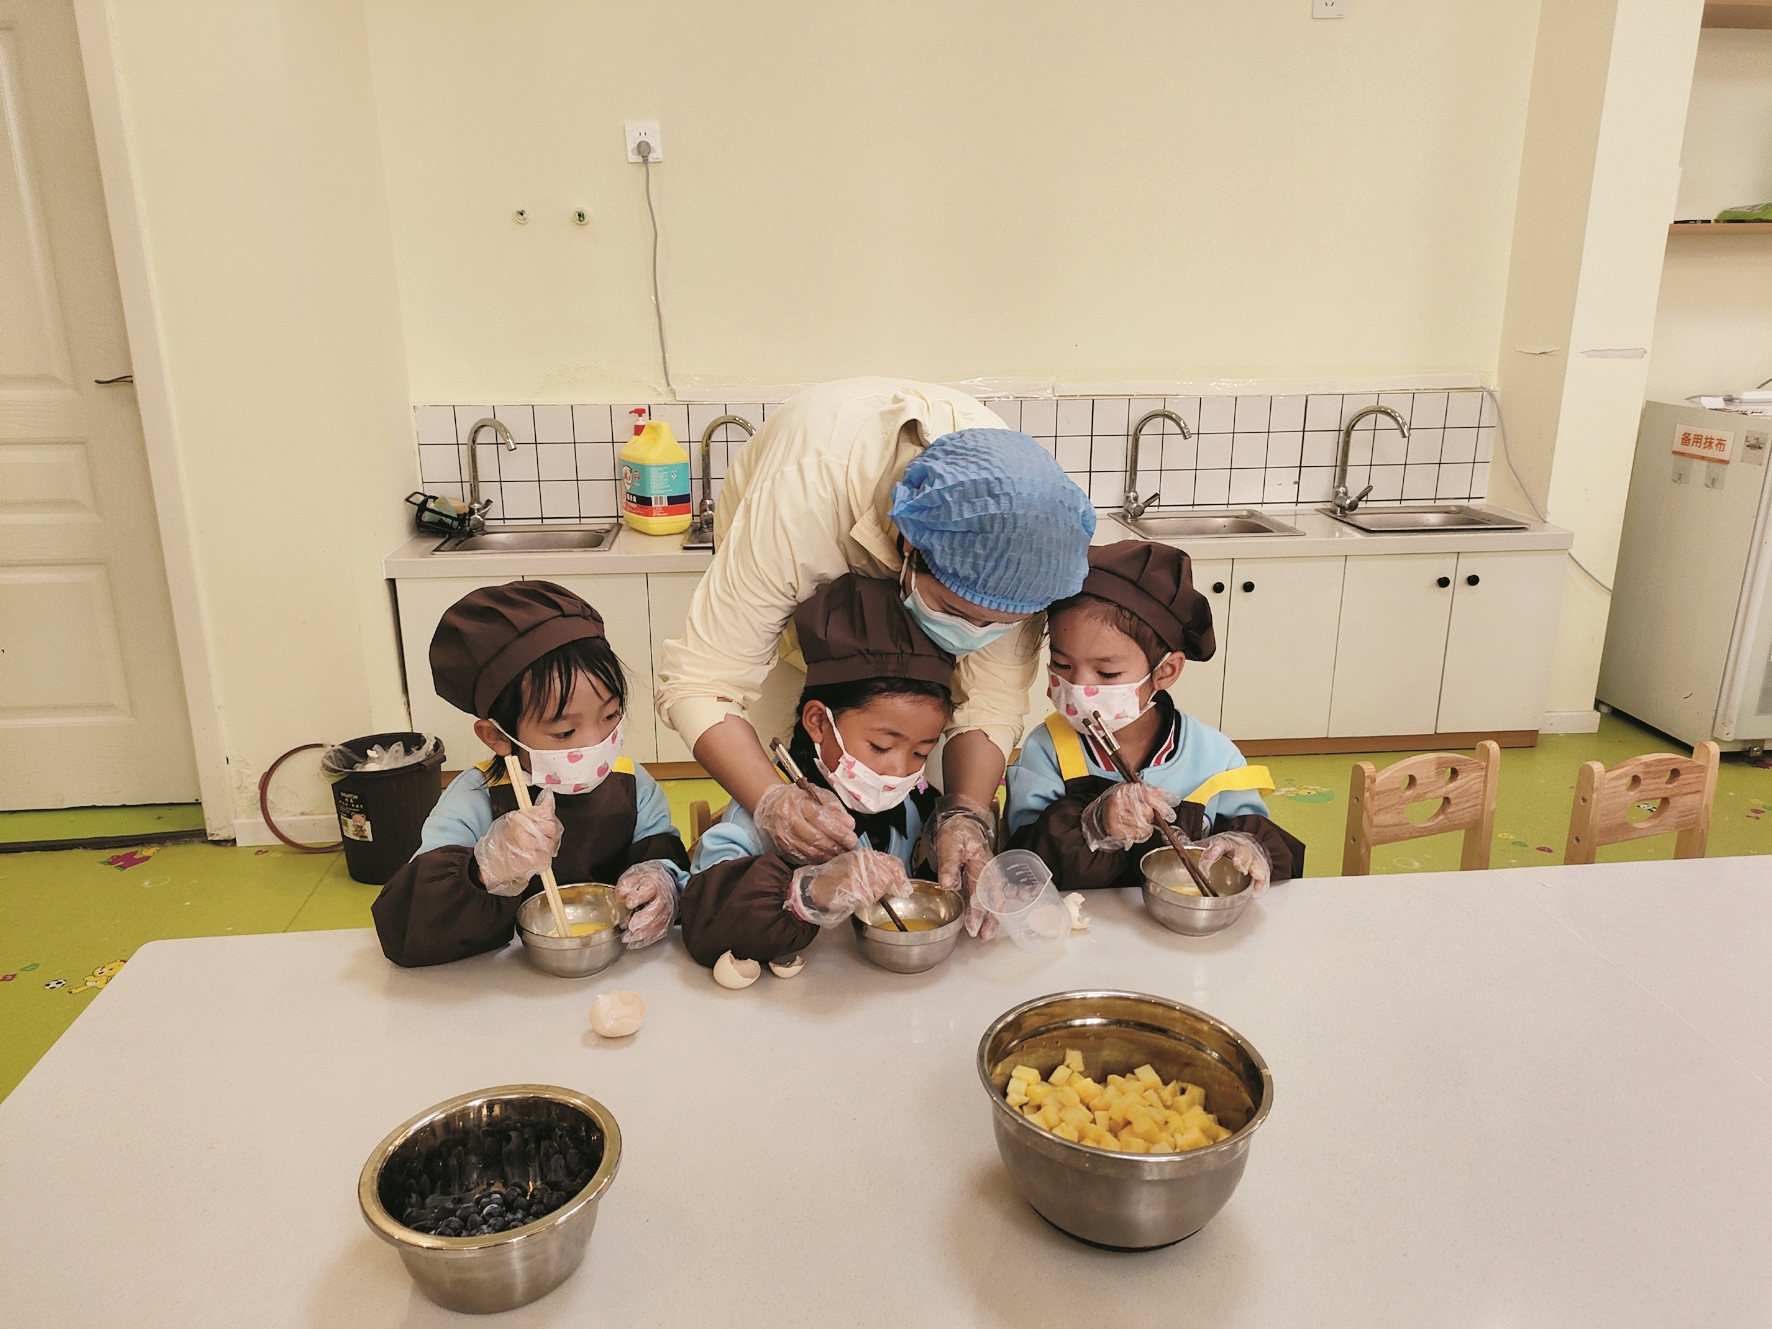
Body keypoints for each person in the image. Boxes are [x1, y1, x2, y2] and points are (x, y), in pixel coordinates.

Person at [655, 377, 1096, 932]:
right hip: (793, 627)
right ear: (909, 548)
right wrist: (772, 801)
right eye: (954, 611)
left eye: (997, 626)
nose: (973, 635)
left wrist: (965, 813)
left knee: (924, 786)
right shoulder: (804, 496)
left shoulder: (1024, 548)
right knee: (791, 780)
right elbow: (703, 683)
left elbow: (989, 704)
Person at [372, 581, 690, 967]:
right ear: (497, 737)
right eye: (565, 732)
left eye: (610, 715)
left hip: (615, 965)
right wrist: (484, 869)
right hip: (501, 976)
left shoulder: (633, 784)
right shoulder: (473, 798)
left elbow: (663, 856)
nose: (595, 741)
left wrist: (661, 881)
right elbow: (407, 925)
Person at [677, 575, 954, 967]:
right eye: (880, 746)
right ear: (819, 722)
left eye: (921, 752)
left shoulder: (913, 800)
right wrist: (808, 892)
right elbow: (703, 923)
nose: (898, 771)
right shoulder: (759, 821)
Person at [1006, 542, 1305, 893]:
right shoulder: (1046, 752)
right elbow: (1021, 867)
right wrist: (1095, 826)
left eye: (1107, 673)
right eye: (1061, 664)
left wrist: (1246, 849)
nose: (1078, 687)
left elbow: (1268, 856)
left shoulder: (1214, 758)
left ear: (1165, 671)